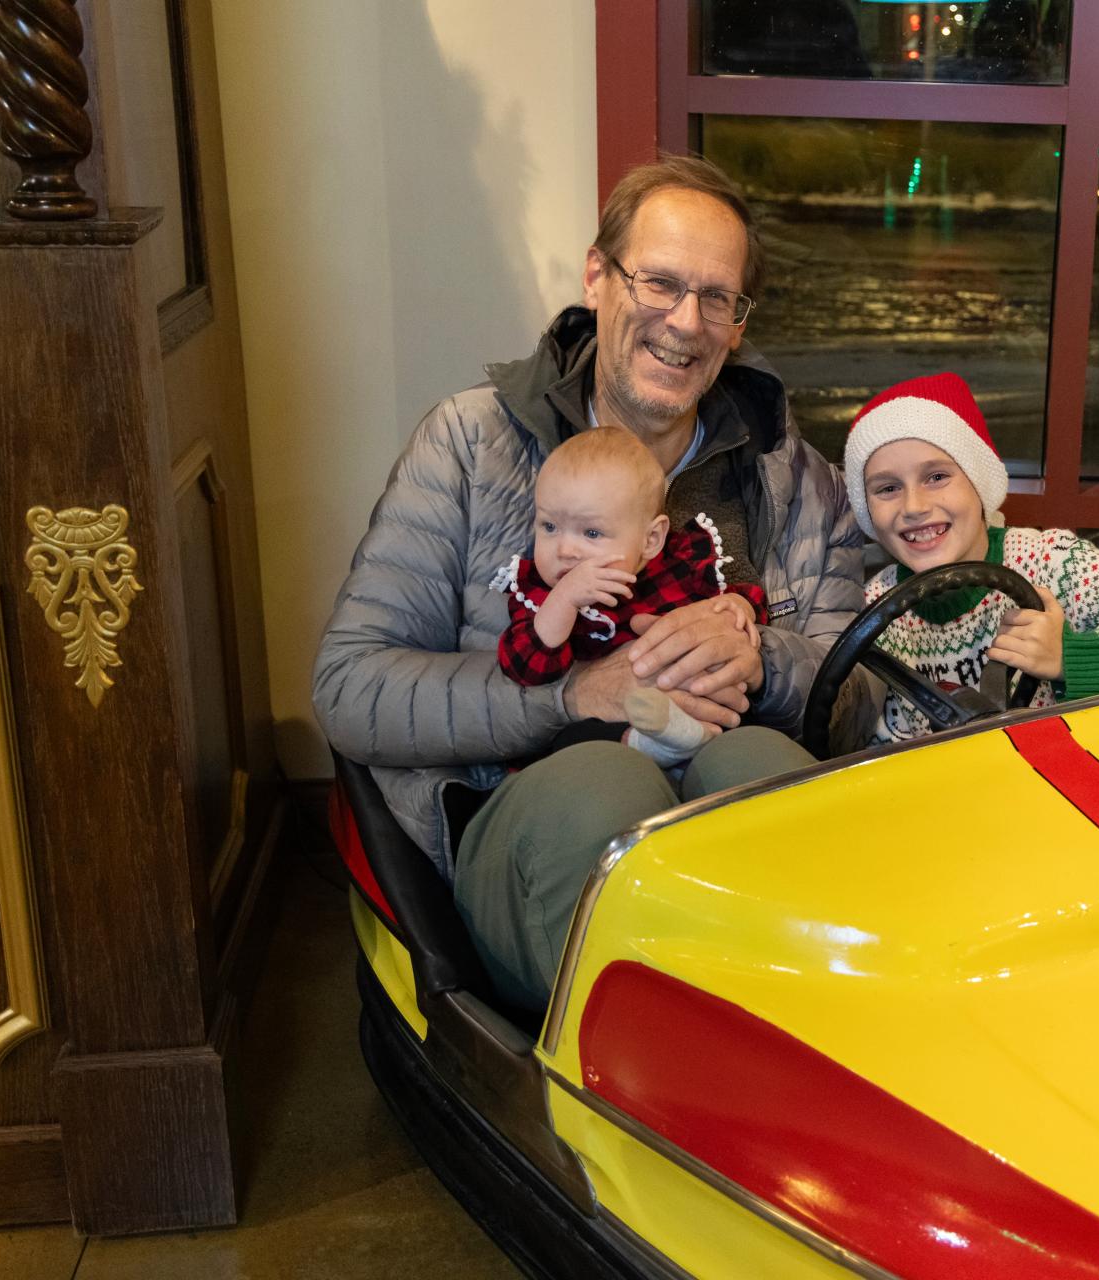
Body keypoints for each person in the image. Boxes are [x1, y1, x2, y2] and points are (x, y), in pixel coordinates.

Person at [313, 155, 863, 1010]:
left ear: (738, 323)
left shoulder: (788, 473)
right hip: (533, 817)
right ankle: (636, 1091)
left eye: (717, 298)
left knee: (762, 770)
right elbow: (351, 689)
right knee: (604, 791)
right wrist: (573, 696)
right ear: (598, 277)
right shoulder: (470, 445)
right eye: (660, 283)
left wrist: (763, 661)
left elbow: (855, 698)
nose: (686, 322)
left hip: (718, 793)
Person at [843, 372, 1099, 744]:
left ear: (979, 483)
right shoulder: (869, 611)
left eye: (937, 477)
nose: (914, 505)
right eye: (887, 488)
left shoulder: (1054, 563)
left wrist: (1070, 659)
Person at [494, 425, 768, 766]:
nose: (564, 549)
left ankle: (690, 739)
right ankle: (652, 744)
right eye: (549, 526)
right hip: (608, 735)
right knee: (569, 741)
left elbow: (746, 600)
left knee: (747, 721)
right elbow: (526, 666)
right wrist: (564, 599)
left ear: (651, 540)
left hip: (700, 708)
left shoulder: (677, 568)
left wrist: (737, 608)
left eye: (591, 532)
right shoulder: (541, 592)